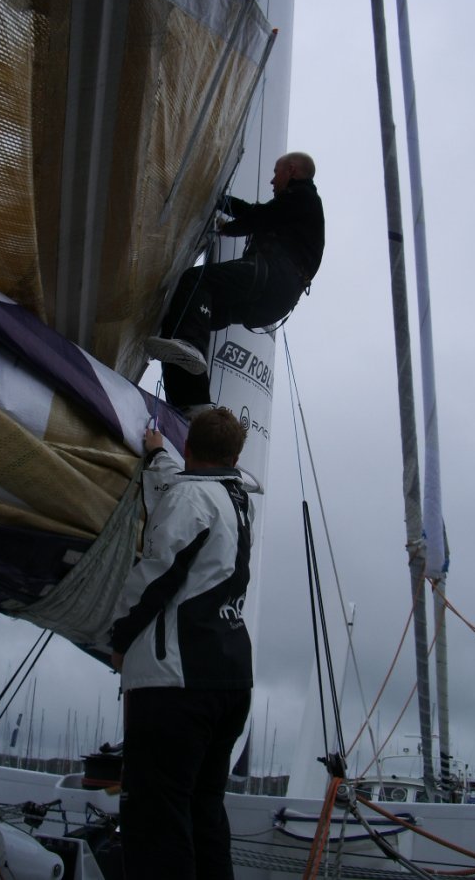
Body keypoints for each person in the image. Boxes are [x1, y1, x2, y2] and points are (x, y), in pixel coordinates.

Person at [110, 408, 253, 880]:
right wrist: (158, 458)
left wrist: (120, 638)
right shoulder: (237, 498)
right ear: (236, 457)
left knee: (157, 820)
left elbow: (156, 575)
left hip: (176, 683)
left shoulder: (190, 498)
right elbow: (189, 494)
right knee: (203, 811)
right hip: (230, 679)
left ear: (188, 447)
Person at [145, 151, 325, 416]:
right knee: (185, 315)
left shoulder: (304, 197)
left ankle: (190, 351)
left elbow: (258, 217)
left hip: (273, 276)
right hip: (275, 301)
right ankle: (191, 404)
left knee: (195, 282)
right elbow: (255, 212)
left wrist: (226, 228)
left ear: (292, 170)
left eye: (276, 172)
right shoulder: (294, 209)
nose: (272, 181)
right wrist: (221, 202)